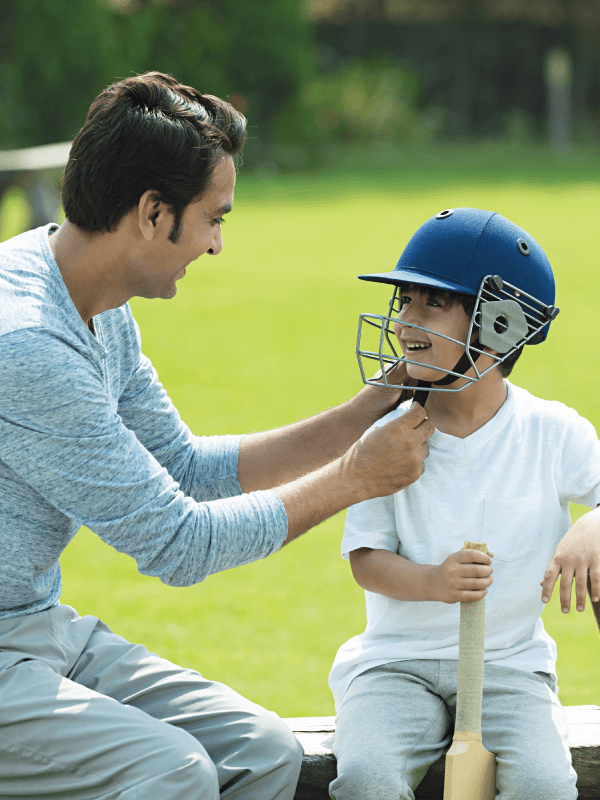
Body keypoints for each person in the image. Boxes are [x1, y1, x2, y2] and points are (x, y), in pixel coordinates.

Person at [0, 72, 434, 799]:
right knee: (172, 771)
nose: (217, 245)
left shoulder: (95, 302)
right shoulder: (29, 345)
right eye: (213, 218)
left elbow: (186, 467)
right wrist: (354, 479)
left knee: (263, 751)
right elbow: (181, 543)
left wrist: (363, 411)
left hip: (35, 626)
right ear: (151, 212)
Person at [328, 207, 600, 800]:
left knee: (545, 786)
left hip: (509, 666)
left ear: (498, 325)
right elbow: (365, 560)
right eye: (405, 301)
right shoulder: (389, 438)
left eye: (432, 303)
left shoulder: (553, 433)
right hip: (394, 665)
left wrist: (592, 528)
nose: (406, 320)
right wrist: (433, 581)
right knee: (366, 777)